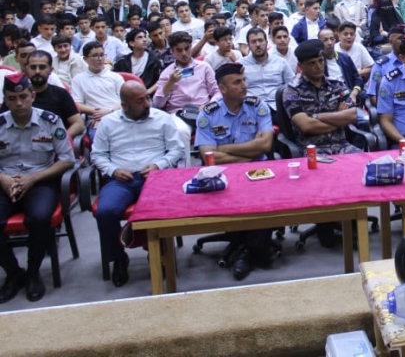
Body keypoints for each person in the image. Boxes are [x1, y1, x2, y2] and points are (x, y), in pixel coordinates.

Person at [92, 81, 184, 287]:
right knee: (105, 212)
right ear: (124, 105)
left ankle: (157, 253)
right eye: (140, 101)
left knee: (157, 208)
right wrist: (113, 170)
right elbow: (97, 155)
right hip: (120, 179)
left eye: (147, 98)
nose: (147, 103)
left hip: (153, 178)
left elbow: (176, 149)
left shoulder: (162, 118)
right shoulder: (108, 123)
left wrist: (159, 165)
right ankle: (118, 258)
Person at [0, 73, 76, 303]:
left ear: (32, 96)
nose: (19, 103)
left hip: (40, 181)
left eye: (23, 97)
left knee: (40, 218)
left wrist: (32, 179)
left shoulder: (50, 121)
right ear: (5, 99)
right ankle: (13, 273)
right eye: (12, 98)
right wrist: (4, 179)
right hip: (4, 183)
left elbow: (67, 160)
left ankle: (33, 272)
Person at [195, 63, 275, 280]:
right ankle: (253, 250)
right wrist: (249, 153)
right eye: (237, 82)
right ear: (222, 88)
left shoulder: (258, 106)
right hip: (224, 172)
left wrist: (224, 149)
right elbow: (209, 157)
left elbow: (265, 145)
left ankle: (248, 250)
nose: (244, 86)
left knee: (267, 197)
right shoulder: (209, 114)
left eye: (244, 80)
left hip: (257, 170)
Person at [282, 40, 361, 155]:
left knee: (366, 162)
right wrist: (339, 118)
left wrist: (316, 116)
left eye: (320, 61)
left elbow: (352, 115)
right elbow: (307, 126)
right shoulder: (292, 91)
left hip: (342, 146)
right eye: (312, 63)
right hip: (311, 150)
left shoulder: (337, 85)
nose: (318, 67)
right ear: (300, 66)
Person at [17, 51, 84, 138]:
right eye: (33, 67)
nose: (37, 71)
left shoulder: (60, 94)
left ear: (51, 70)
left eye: (42, 67)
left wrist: (60, 139)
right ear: (26, 69)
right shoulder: (17, 96)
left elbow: (78, 124)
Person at [71, 41, 125, 139]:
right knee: (99, 138)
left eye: (102, 55)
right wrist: (97, 112)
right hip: (96, 119)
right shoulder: (78, 79)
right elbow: (77, 104)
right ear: (85, 59)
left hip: (117, 115)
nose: (100, 59)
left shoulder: (115, 77)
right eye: (95, 55)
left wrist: (109, 111)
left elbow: (125, 101)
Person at [239, 28, 292, 111]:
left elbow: (291, 85)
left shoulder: (281, 62)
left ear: (267, 42)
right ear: (248, 45)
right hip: (251, 108)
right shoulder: (240, 65)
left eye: (260, 40)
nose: (258, 44)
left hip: (278, 107)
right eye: (253, 42)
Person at [319, 27, 365, 107]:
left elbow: (358, 79)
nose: (330, 43)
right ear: (319, 42)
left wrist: (354, 93)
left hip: (347, 94)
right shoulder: (318, 62)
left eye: (332, 39)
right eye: (325, 40)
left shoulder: (344, 58)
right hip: (328, 100)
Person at [113, 28, 162, 94]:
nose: (144, 40)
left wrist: (147, 92)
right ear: (132, 43)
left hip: (147, 95)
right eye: (140, 37)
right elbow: (114, 79)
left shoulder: (154, 60)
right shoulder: (122, 62)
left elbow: (160, 81)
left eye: (145, 37)